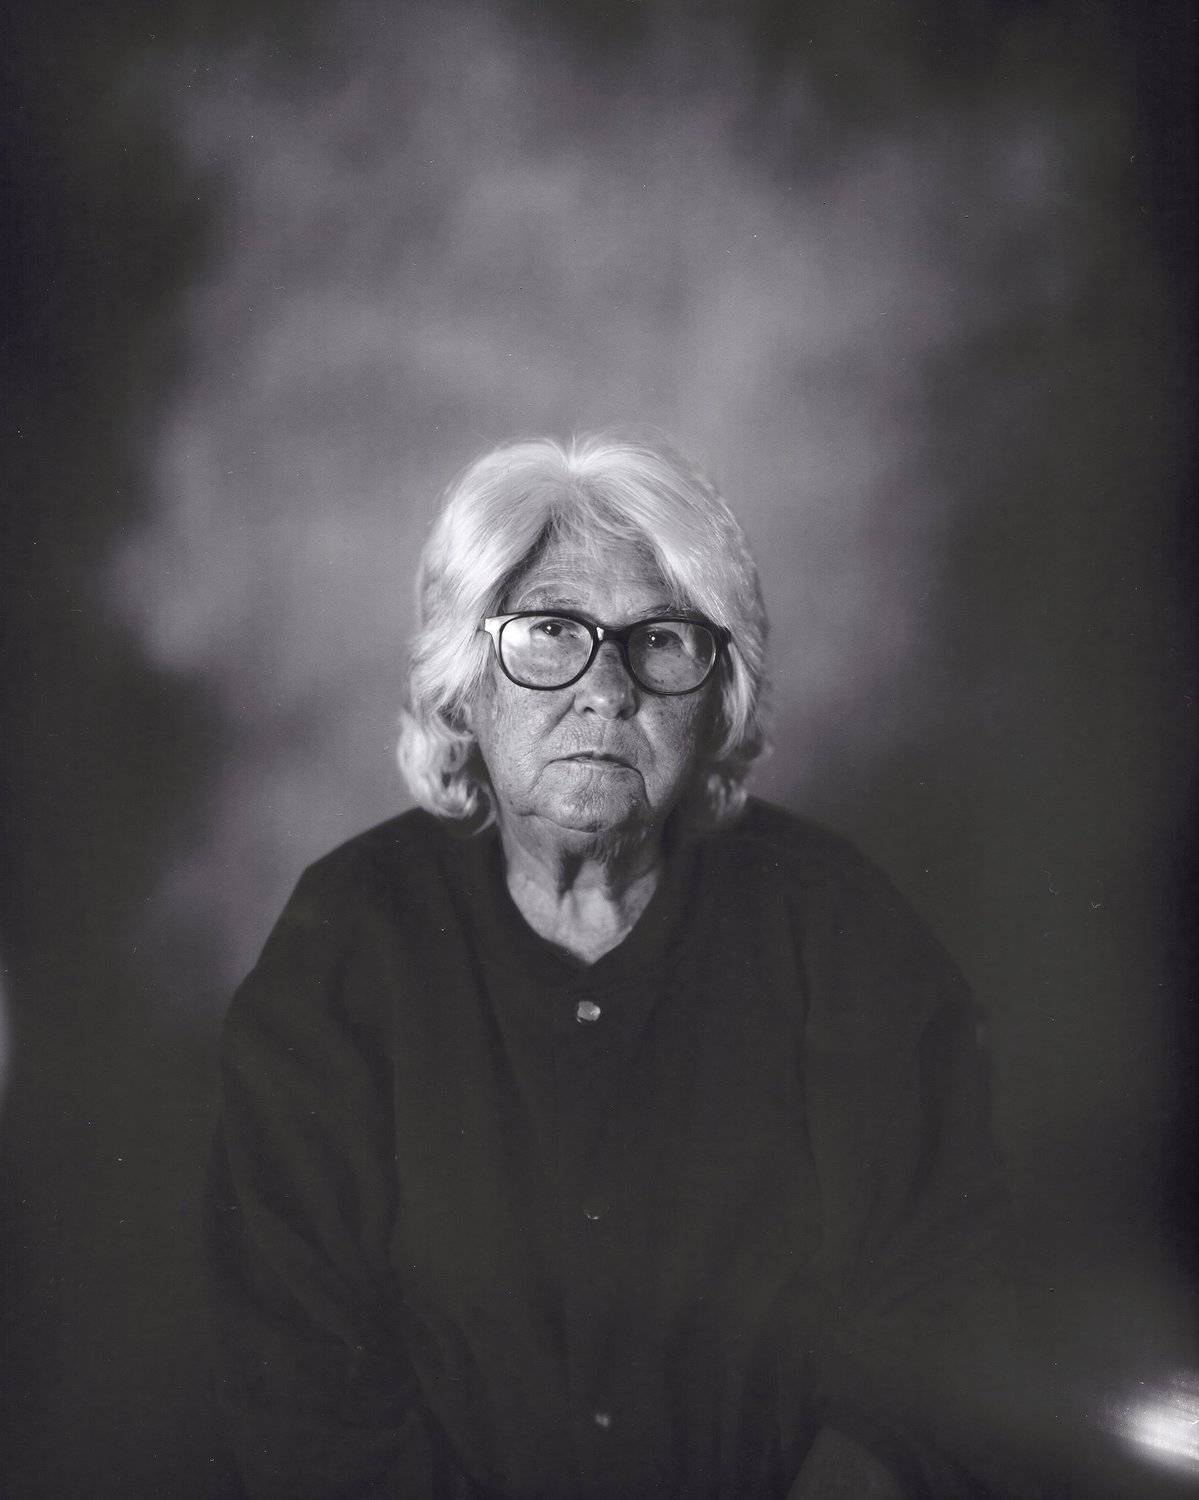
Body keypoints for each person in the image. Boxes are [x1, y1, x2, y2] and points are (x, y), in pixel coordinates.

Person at [205, 433, 1013, 1499]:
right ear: (462, 686)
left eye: (661, 640)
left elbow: (938, 1314)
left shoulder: (837, 929)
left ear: (717, 696)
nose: (605, 691)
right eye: (549, 632)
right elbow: (299, 1382)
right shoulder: (345, 944)